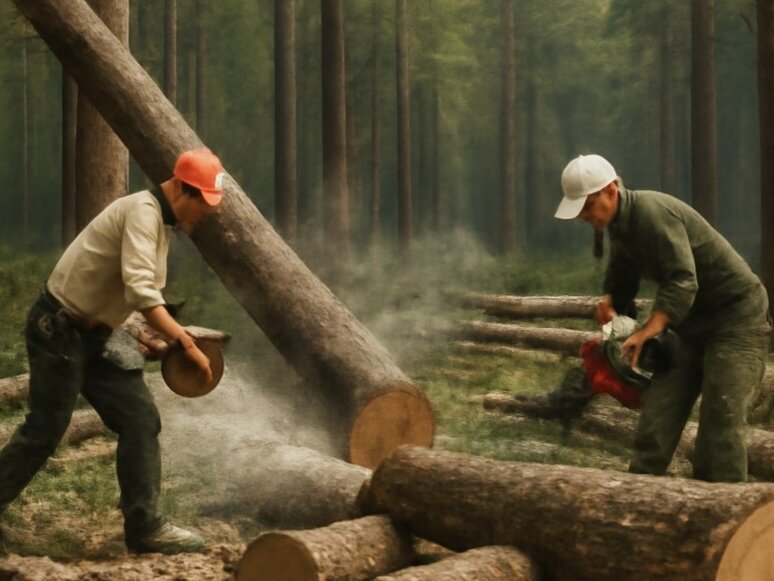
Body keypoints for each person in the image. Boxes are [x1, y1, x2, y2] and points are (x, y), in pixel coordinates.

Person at [0, 148, 225, 554]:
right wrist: (184, 341)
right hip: (61, 329)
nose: (200, 217)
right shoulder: (142, 211)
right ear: (179, 187)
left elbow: (130, 293)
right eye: (200, 206)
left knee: (139, 417)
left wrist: (145, 334)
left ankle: (145, 527)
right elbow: (141, 291)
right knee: (46, 429)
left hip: (99, 335)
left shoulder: (161, 224)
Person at [555, 153, 771, 483]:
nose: (584, 217)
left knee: (721, 420)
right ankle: (644, 494)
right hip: (689, 324)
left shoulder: (653, 214)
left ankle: (723, 508)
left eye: (587, 206)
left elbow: (684, 279)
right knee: (658, 415)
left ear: (611, 191)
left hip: (735, 317)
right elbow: (622, 278)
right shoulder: (620, 228)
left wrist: (650, 329)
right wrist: (614, 310)